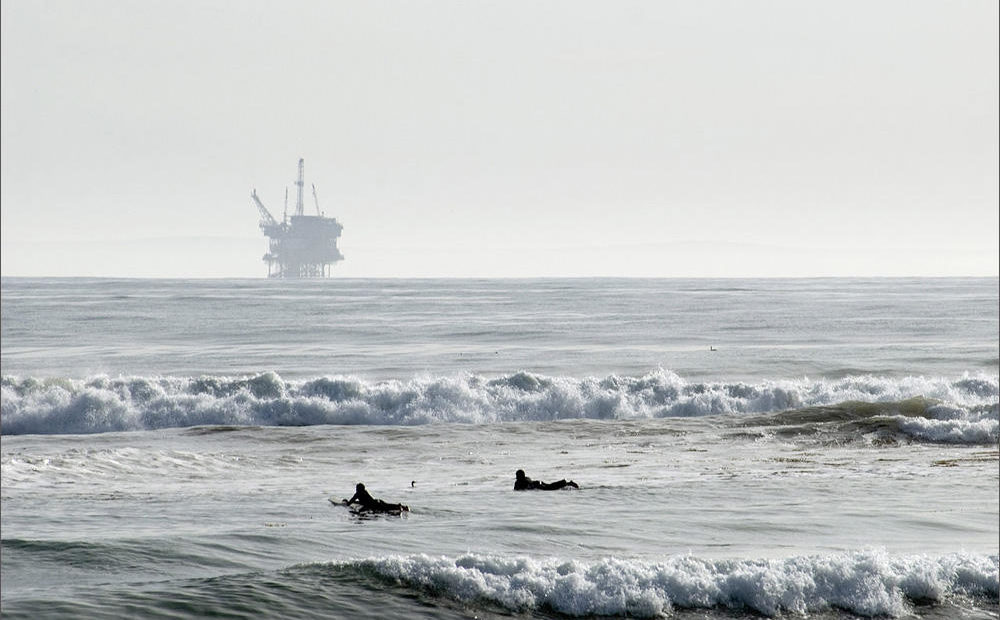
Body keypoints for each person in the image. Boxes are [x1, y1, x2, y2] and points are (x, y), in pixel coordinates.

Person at [343, 483, 409, 512]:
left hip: (374, 505)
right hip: (377, 501)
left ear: (358, 489)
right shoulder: (365, 492)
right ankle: (402, 506)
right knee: (387, 506)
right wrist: (354, 502)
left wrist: (346, 502)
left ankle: (399, 507)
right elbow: (363, 501)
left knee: (386, 509)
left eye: (357, 488)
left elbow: (350, 502)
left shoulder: (358, 493)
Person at [513, 469, 579, 491]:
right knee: (550, 486)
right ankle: (565, 483)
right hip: (539, 482)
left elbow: (516, 489)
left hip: (537, 484)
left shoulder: (520, 481)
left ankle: (566, 483)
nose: (516, 477)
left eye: (517, 475)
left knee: (550, 488)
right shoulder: (526, 478)